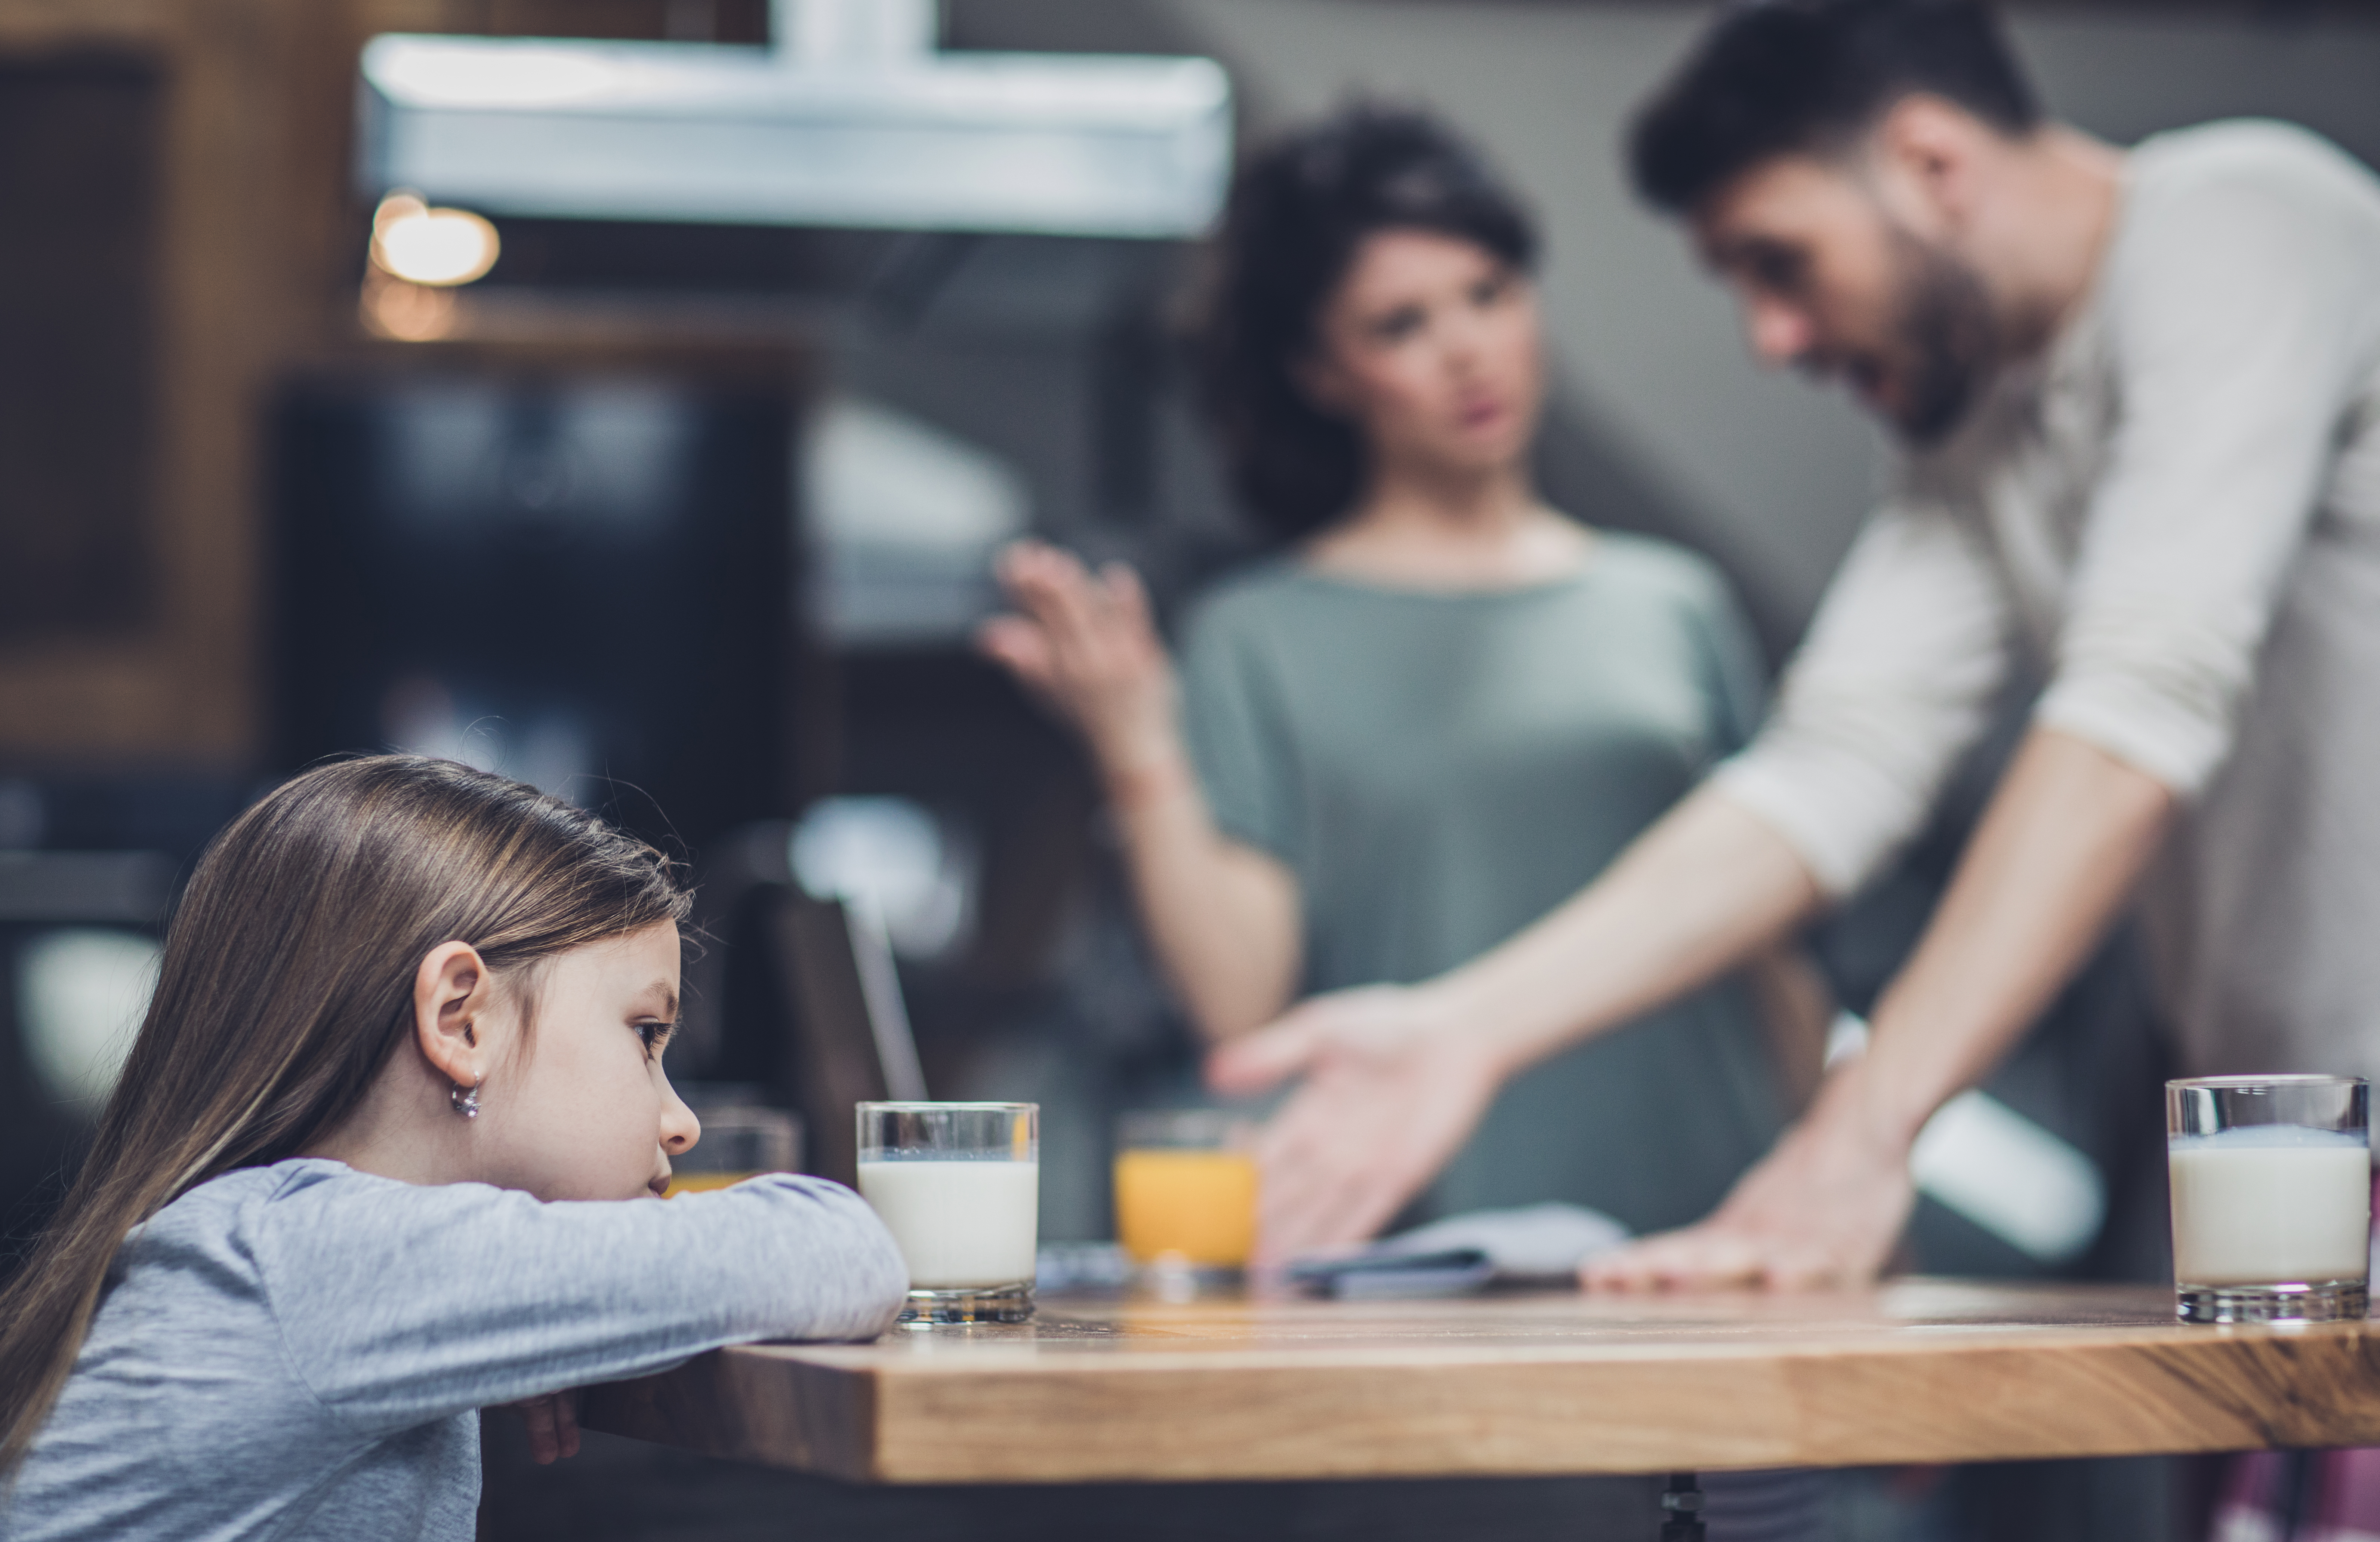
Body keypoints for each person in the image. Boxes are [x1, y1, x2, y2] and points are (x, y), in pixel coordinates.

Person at [1210, 0, 2380, 1284]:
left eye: (1779, 262)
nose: (1770, 340)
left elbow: (2135, 710)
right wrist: (1463, 1028)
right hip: (2297, 1150)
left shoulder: (2240, 220)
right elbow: (1830, 767)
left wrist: (1859, 1134)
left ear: (1929, 164)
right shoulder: (1972, 431)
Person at [982, 107, 1829, 1247]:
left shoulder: (1674, 601)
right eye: (1402, 324)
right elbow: (1241, 1005)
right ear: (1324, 371)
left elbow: (1765, 931)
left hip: (1716, 1217)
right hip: (1439, 1239)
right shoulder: (1258, 634)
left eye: (1489, 293)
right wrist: (1137, 740)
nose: (1469, 349)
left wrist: (1844, 1168)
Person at [0, 757, 907, 1539]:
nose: (681, 1121)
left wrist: (544, 1312)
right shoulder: (319, 1258)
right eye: (644, 1034)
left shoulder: (287, 1250)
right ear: (458, 1017)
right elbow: (841, 1246)